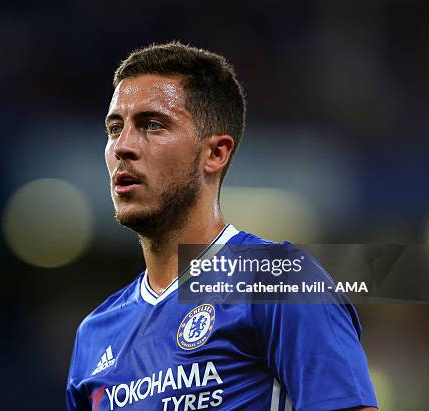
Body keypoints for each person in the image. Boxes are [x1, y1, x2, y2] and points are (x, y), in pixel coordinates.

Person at [66, 42, 378, 411]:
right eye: (115, 128)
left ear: (215, 153)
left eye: (152, 124)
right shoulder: (94, 335)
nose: (123, 146)